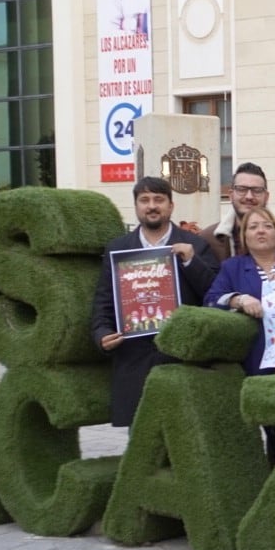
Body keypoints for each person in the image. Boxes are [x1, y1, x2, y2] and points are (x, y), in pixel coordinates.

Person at [90, 176, 220, 427]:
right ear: (136, 206)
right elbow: (103, 301)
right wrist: (101, 334)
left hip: (181, 359)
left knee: (184, 439)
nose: (152, 206)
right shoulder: (118, 249)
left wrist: (191, 262)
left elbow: (214, 295)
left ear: (170, 206)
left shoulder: (195, 245)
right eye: (144, 200)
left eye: (159, 199)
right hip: (134, 361)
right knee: (141, 446)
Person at [208, 207, 275, 463]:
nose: (260, 231)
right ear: (244, 236)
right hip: (258, 364)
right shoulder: (233, 267)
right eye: (253, 227)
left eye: (266, 225)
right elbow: (210, 300)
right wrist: (238, 299)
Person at [210, 162, 275, 262]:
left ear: (266, 197)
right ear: (231, 195)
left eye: (257, 190)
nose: (249, 196)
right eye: (241, 189)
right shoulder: (210, 239)